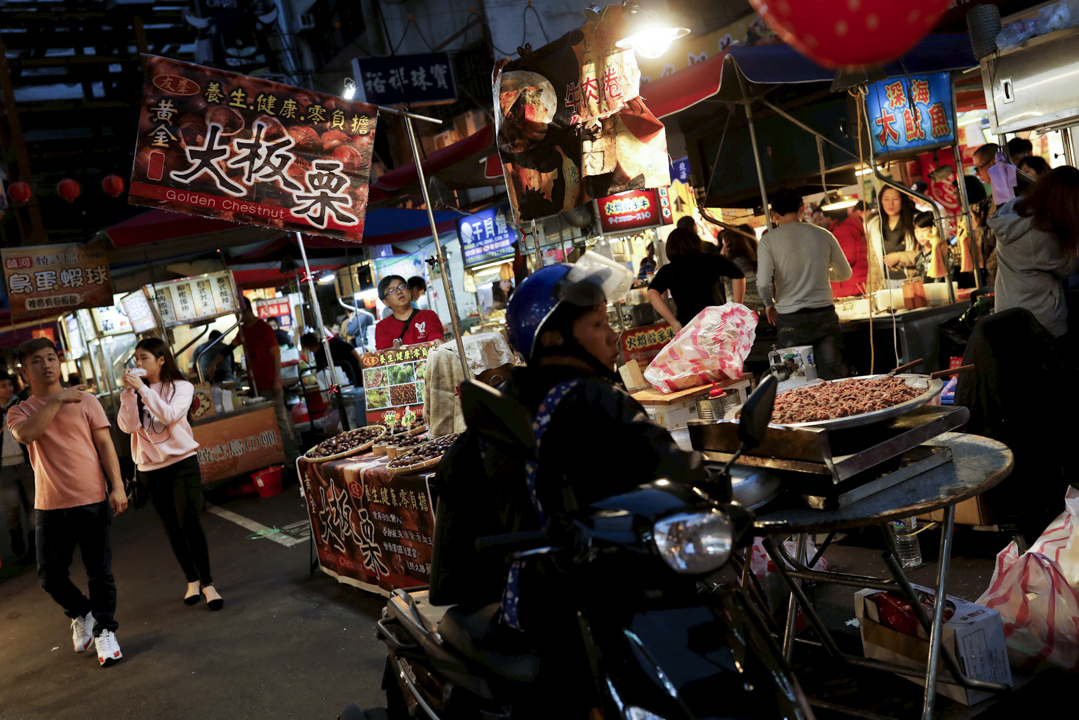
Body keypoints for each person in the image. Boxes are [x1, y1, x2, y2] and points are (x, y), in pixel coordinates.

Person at [429, 256, 704, 713]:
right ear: (553, 338)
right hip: (602, 596)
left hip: (530, 603)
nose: (613, 335)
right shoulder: (596, 399)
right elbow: (670, 466)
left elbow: (455, 491)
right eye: (598, 324)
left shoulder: (503, 404)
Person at [7, 338, 127, 667]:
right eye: (37, 360)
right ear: (24, 371)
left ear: (59, 362)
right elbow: (28, 434)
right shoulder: (19, 411)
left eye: (51, 357)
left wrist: (117, 486)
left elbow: (105, 445)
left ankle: (106, 631)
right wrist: (59, 398)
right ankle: (81, 611)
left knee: (99, 572)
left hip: (92, 498)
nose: (46, 364)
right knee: (49, 576)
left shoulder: (86, 401)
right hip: (49, 504)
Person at [117, 338, 223, 611]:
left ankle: (208, 583)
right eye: (136, 360)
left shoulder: (182, 387)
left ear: (161, 359)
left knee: (189, 521)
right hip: (150, 469)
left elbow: (169, 416)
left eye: (144, 358)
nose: (139, 364)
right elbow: (128, 427)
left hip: (182, 463)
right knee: (171, 527)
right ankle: (191, 581)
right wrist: (129, 394)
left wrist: (142, 389)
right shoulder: (136, 392)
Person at [757, 188, 852, 380]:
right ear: (802, 208)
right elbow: (845, 273)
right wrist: (820, 273)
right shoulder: (823, 234)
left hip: (789, 320)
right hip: (823, 316)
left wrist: (769, 304)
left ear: (774, 214)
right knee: (831, 379)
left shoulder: (768, 241)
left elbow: (763, 283)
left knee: (798, 380)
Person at [987, 166, 1079, 342]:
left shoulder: (1016, 212)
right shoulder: (1040, 234)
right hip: (1039, 323)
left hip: (1010, 316)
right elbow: (1066, 267)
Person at [229, 297, 297, 462]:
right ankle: (282, 458)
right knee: (272, 422)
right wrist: (216, 361)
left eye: (238, 313)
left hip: (270, 383)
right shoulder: (243, 330)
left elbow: (276, 355)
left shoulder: (264, 328)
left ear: (245, 310)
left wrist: (276, 381)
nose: (236, 317)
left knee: (280, 421)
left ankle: (292, 458)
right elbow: (230, 347)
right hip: (257, 385)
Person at [647, 228, 745, 334]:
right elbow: (738, 275)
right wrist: (736, 308)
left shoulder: (669, 270)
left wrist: (673, 322)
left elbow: (652, 293)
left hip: (687, 328)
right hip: (717, 324)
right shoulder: (712, 260)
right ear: (696, 242)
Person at [1, 373, 34, 563]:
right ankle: (17, 541)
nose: (8, 389)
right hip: (4, 466)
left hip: (25, 461)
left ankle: (33, 543)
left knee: (32, 503)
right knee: (11, 506)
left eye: (9, 384)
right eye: (3, 386)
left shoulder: (21, 403)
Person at [867, 186, 920, 291]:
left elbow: (927, 254)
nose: (890, 204)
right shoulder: (875, 225)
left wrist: (899, 257)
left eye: (895, 199)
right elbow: (873, 264)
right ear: (881, 201)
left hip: (911, 280)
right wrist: (870, 293)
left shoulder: (914, 223)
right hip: (886, 284)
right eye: (886, 199)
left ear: (903, 200)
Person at [374, 275, 445, 350]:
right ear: (385, 302)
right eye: (391, 291)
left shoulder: (428, 316)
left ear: (409, 291)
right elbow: (384, 355)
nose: (399, 291)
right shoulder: (382, 327)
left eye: (401, 287)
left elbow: (437, 343)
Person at [972, 143, 1003, 286]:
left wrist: (979, 228)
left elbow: (1000, 234)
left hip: (1002, 273)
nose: (977, 174)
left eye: (978, 168)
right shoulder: (993, 196)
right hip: (994, 272)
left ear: (993, 163)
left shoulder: (1004, 194)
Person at [822, 206, 869, 298]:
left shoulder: (842, 230)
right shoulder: (849, 226)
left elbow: (847, 258)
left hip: (850, 287)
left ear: (829, 216)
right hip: (856, 283)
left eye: (821, 217)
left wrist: (824, 263)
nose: (820, 221)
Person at [720, 225, 765, 314]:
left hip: (739, 313)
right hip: (761, 309)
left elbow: (719, 281)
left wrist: (721, 255)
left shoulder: (731, 265)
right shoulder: (757, 261)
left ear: (729, 244)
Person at [912, 212, 949, 283]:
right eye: (916, 232)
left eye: (924, 231)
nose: (920, 235)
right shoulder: (919, 257)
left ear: (934, 230)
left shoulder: (944, 254)